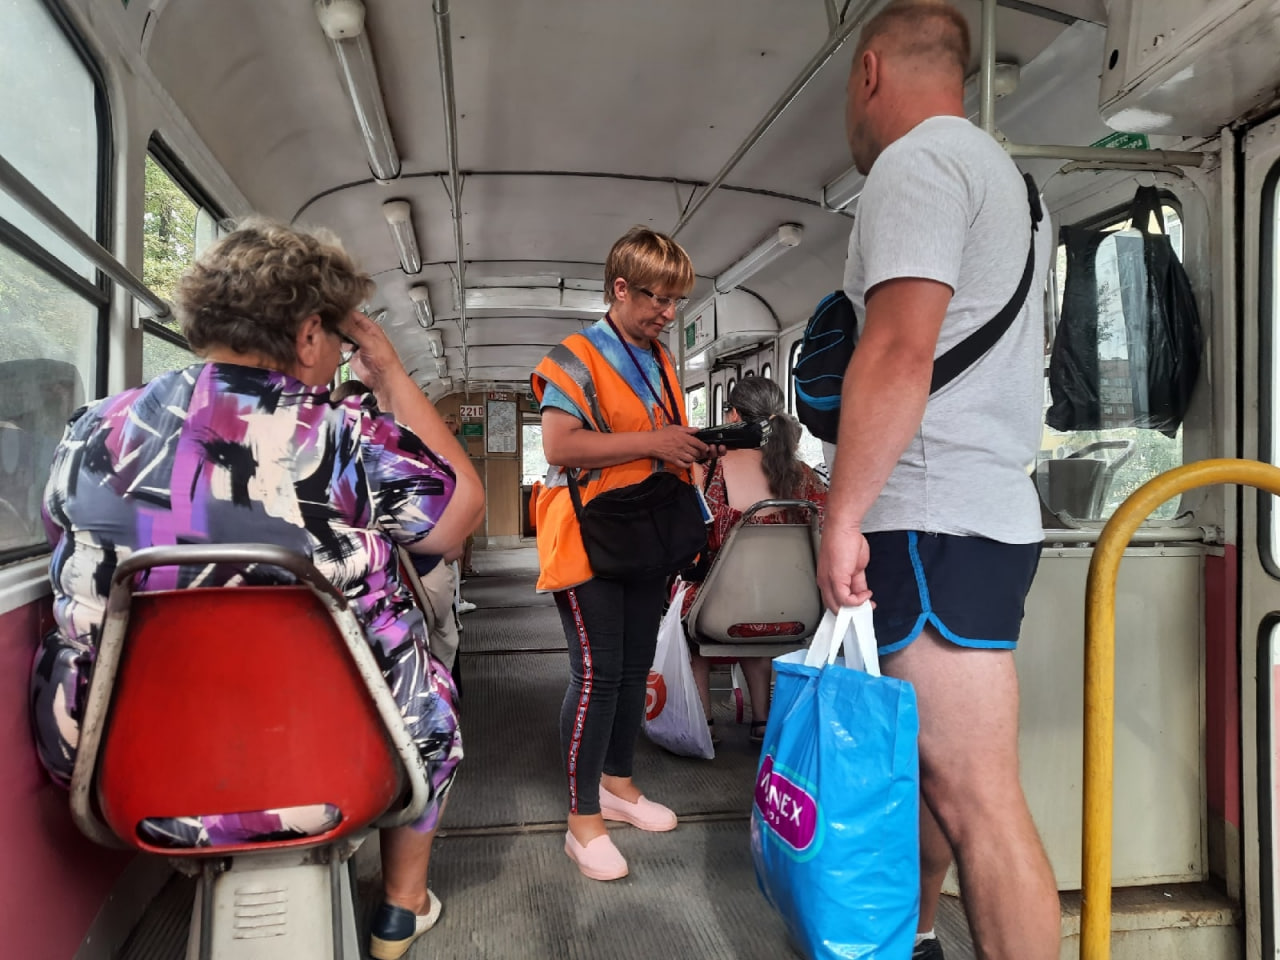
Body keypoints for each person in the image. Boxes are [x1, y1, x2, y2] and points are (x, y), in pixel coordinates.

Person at [30, 219, 485, 960]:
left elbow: (63, 543)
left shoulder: (91, 432)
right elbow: (457, 521)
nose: (337, 358)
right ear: (308, 335)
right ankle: (402, 904)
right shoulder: (345, 437)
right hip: (347, 751)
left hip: (116, 763)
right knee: (421, 658)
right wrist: (391, 376)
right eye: (337, 340)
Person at [816, 4, 1058, 960]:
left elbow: (899, 350)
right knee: (929, 777)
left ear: (871, 71)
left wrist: (842, 515)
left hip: (927, 519)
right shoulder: (1016, 188)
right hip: (978, 513)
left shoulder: (916, 165)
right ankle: (916, 936)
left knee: (979, 801)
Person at [532, 225, 714, 882]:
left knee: (635, 670)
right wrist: (656, 443)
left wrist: (685, 447)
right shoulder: (575, 357)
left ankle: (618, 783)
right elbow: (559, 446)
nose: (668, 312)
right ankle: (582, 821)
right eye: (658, 298)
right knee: (597, 676)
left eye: (675, 300)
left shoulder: (660, 359)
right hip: (588, 535)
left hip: (646, 530)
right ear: (619, 288)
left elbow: (654, 435)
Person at [683, 377, 827, 745]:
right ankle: (762, 721)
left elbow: (697, 537)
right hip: (794, 612)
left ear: (733, 416)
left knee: (691, 616)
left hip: (722, 614)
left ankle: (704, 724)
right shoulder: (806, 477)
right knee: (758, 604)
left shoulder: (710, 472)